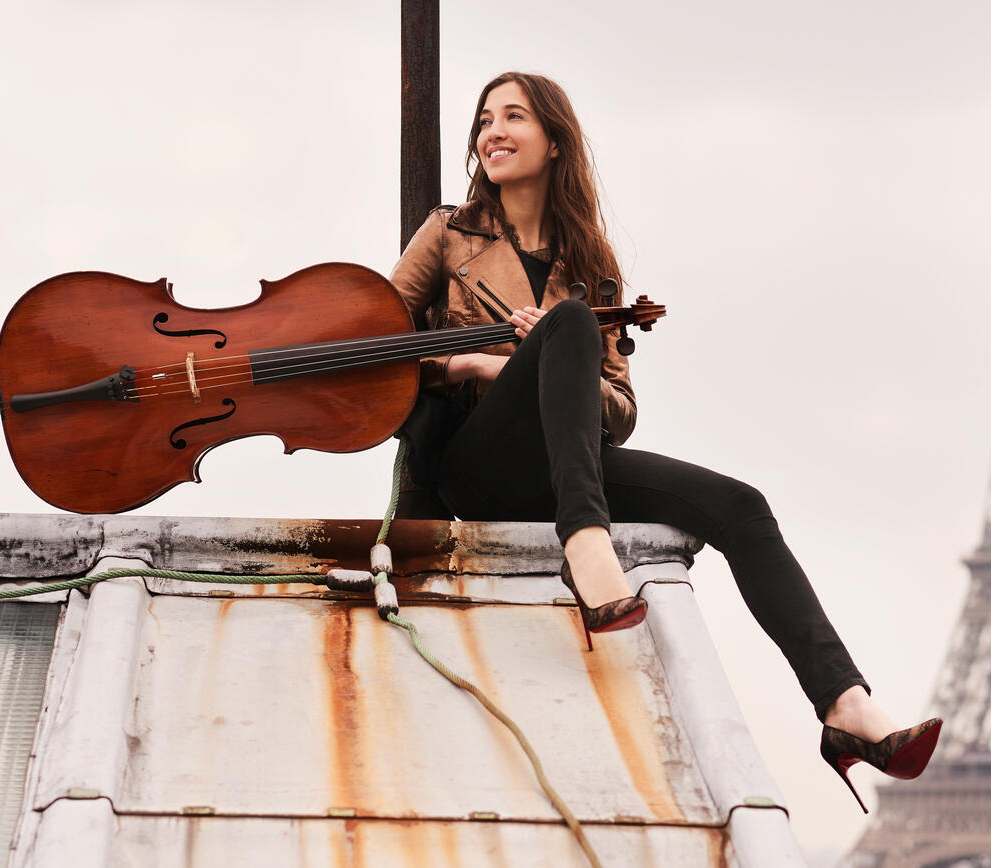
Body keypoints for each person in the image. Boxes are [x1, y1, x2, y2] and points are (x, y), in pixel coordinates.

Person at [388, 71, 940, 812]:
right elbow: (376, 345)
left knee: (742, 505)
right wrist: (477, 361)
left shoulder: (591, 264)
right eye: (485, 118)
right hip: (476, 463)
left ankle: (844, 707)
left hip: (567, 464)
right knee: (572, 323)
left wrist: (556, 356)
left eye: (513, 116)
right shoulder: (447, 232)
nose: (493, 131)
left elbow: (618, 409)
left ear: (554, 141)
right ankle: (588, 549)